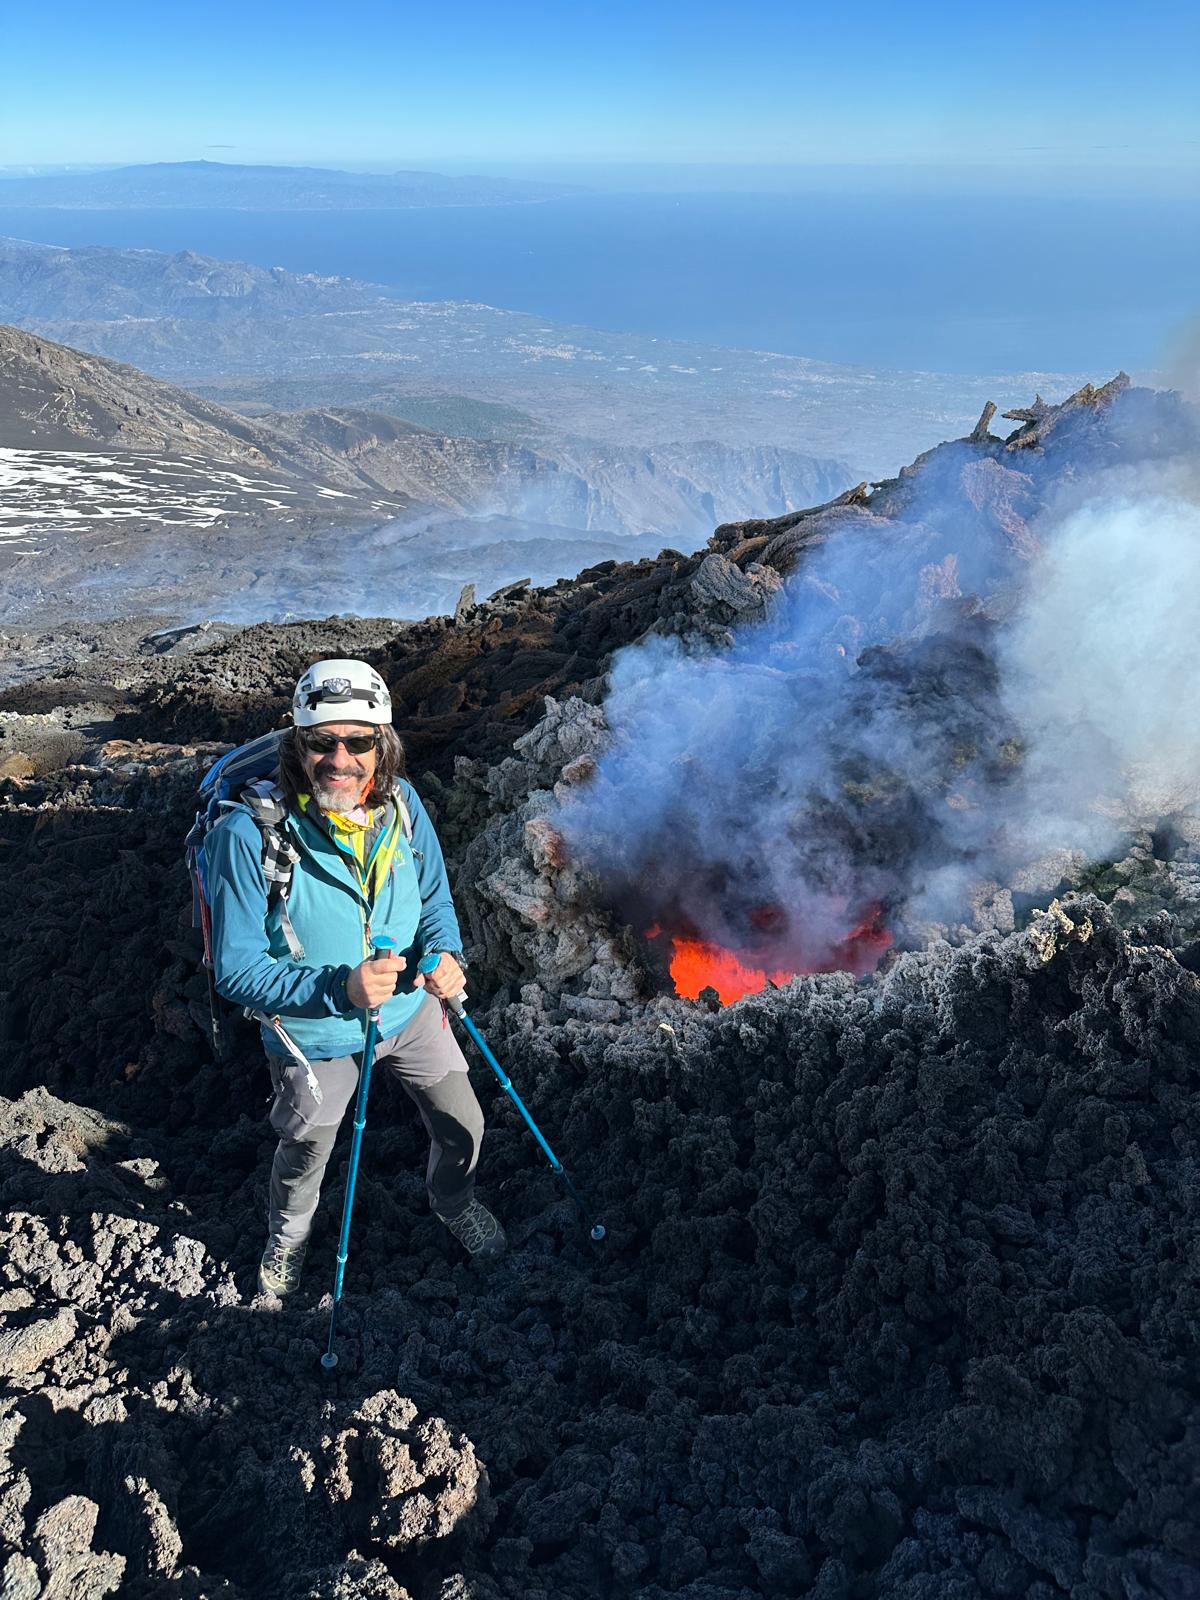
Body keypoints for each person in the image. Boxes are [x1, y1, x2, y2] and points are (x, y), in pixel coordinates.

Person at [205, 658, 505, 1297]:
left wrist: (443, 955)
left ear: (383, 744)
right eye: (322, 741)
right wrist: (337, 989)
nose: (340, 759)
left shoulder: (402, 804)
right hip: (313, 1036)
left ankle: (454, 1202)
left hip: (408, 1014)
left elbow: (433, 899)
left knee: (465, 1125)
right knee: (307, 1150)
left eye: (359, 741)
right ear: (297, 744)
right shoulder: (245, 834)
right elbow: (235, 970)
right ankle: (286, 1243)